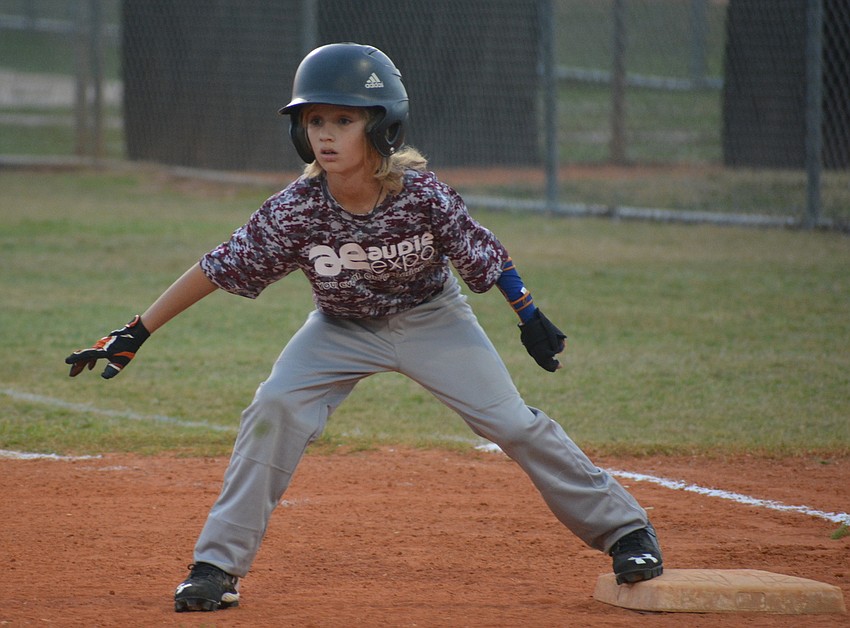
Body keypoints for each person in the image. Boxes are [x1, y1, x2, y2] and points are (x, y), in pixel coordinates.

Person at [65, 43, 662, 613]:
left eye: (343, 120)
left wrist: (528, 314)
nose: (324, 134)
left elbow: (483, 251)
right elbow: (219, 267)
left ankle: (626, 531)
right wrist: (138, 330)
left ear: (381, 126)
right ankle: (215, 568)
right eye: (314, 120)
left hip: (433, 319)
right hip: (338, 328)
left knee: (510, 421)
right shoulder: (295, 210)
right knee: (273, 407)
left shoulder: (423, 195)